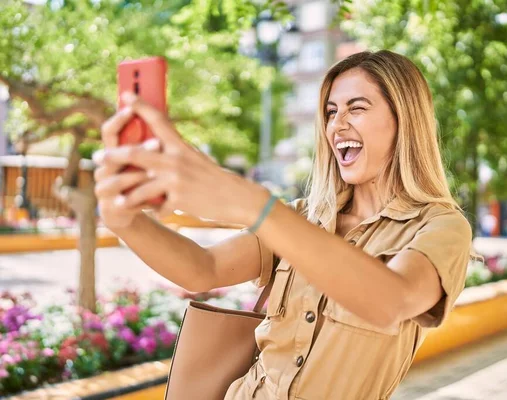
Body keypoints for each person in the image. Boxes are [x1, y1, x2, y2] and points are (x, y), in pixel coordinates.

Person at [93, 50, 474, 399]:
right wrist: (125, 221)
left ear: (403, 121)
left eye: (356, 108)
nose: (337, 124)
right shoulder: (303, 217)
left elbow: (394, 301)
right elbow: (201, 268)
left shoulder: (440, 227)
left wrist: (252, 204)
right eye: (330, 112)